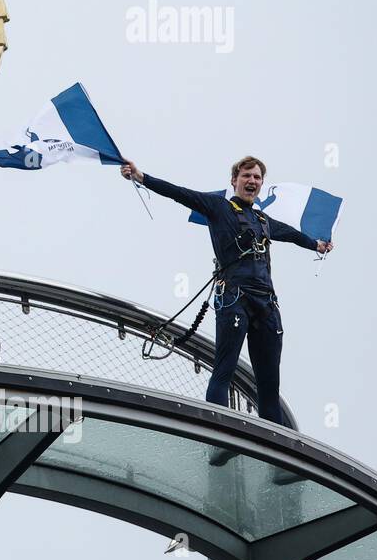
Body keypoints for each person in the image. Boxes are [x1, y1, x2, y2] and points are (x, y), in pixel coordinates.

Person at [120, 155, 331, 435]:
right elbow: (179, 193)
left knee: (269, 383)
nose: (252, 181)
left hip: (266, 304)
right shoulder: (218, 207)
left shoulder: (263, 221)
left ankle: (279, 451)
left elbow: (292, 235)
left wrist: (316, 244)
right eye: (246, 176)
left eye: (257, 177)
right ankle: (221, 435)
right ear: (234, 181)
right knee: (225, 368)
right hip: (235, 298)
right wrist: (141, 176)